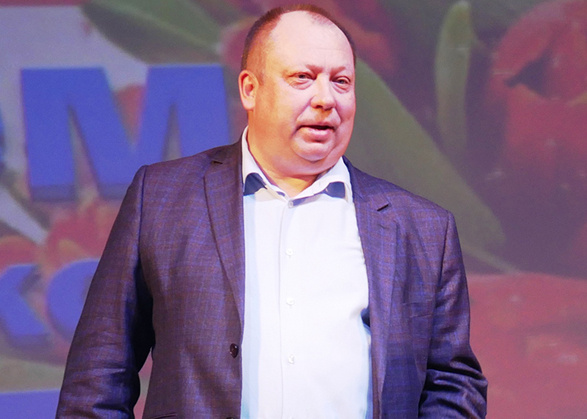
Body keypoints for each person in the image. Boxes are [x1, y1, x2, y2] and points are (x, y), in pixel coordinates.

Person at [57, 4, 487, 418]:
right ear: (250, 89)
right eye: (303, 78)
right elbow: (98, 377)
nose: (326, 99)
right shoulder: (163, 199)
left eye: (341, 81)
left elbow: (453, 383)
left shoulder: (421, 228)